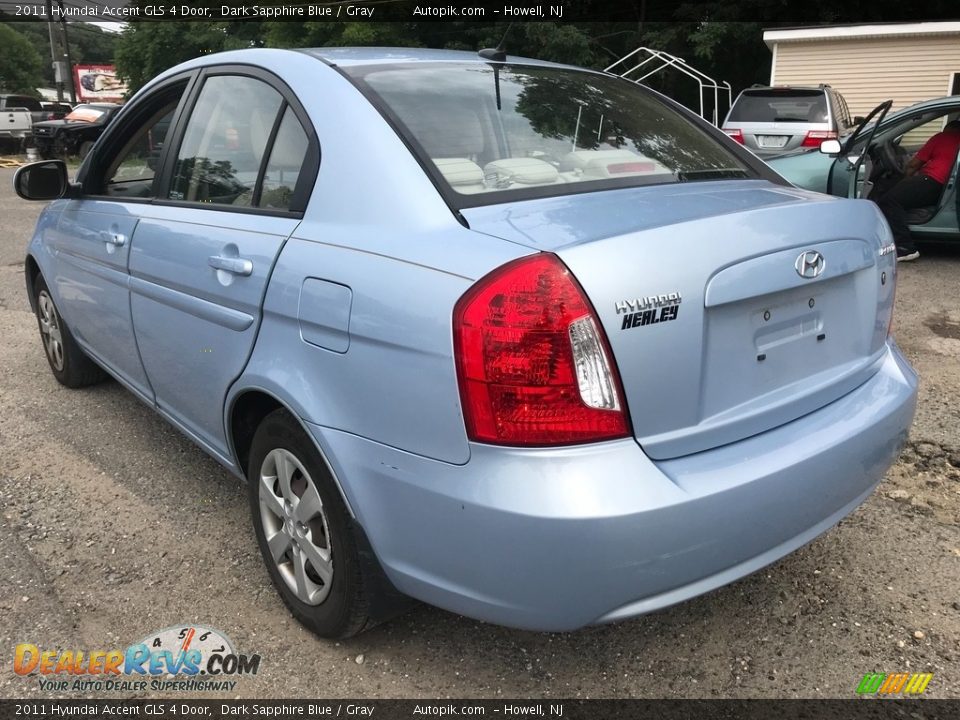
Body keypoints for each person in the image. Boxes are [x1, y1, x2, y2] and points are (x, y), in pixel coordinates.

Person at [874, 119, 960, 262]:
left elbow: (913, 165)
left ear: (948, 129)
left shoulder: (941, 137)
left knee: (889, 200)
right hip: (943, 184)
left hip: (932, 180)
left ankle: (905, 247)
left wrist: (904, 180)